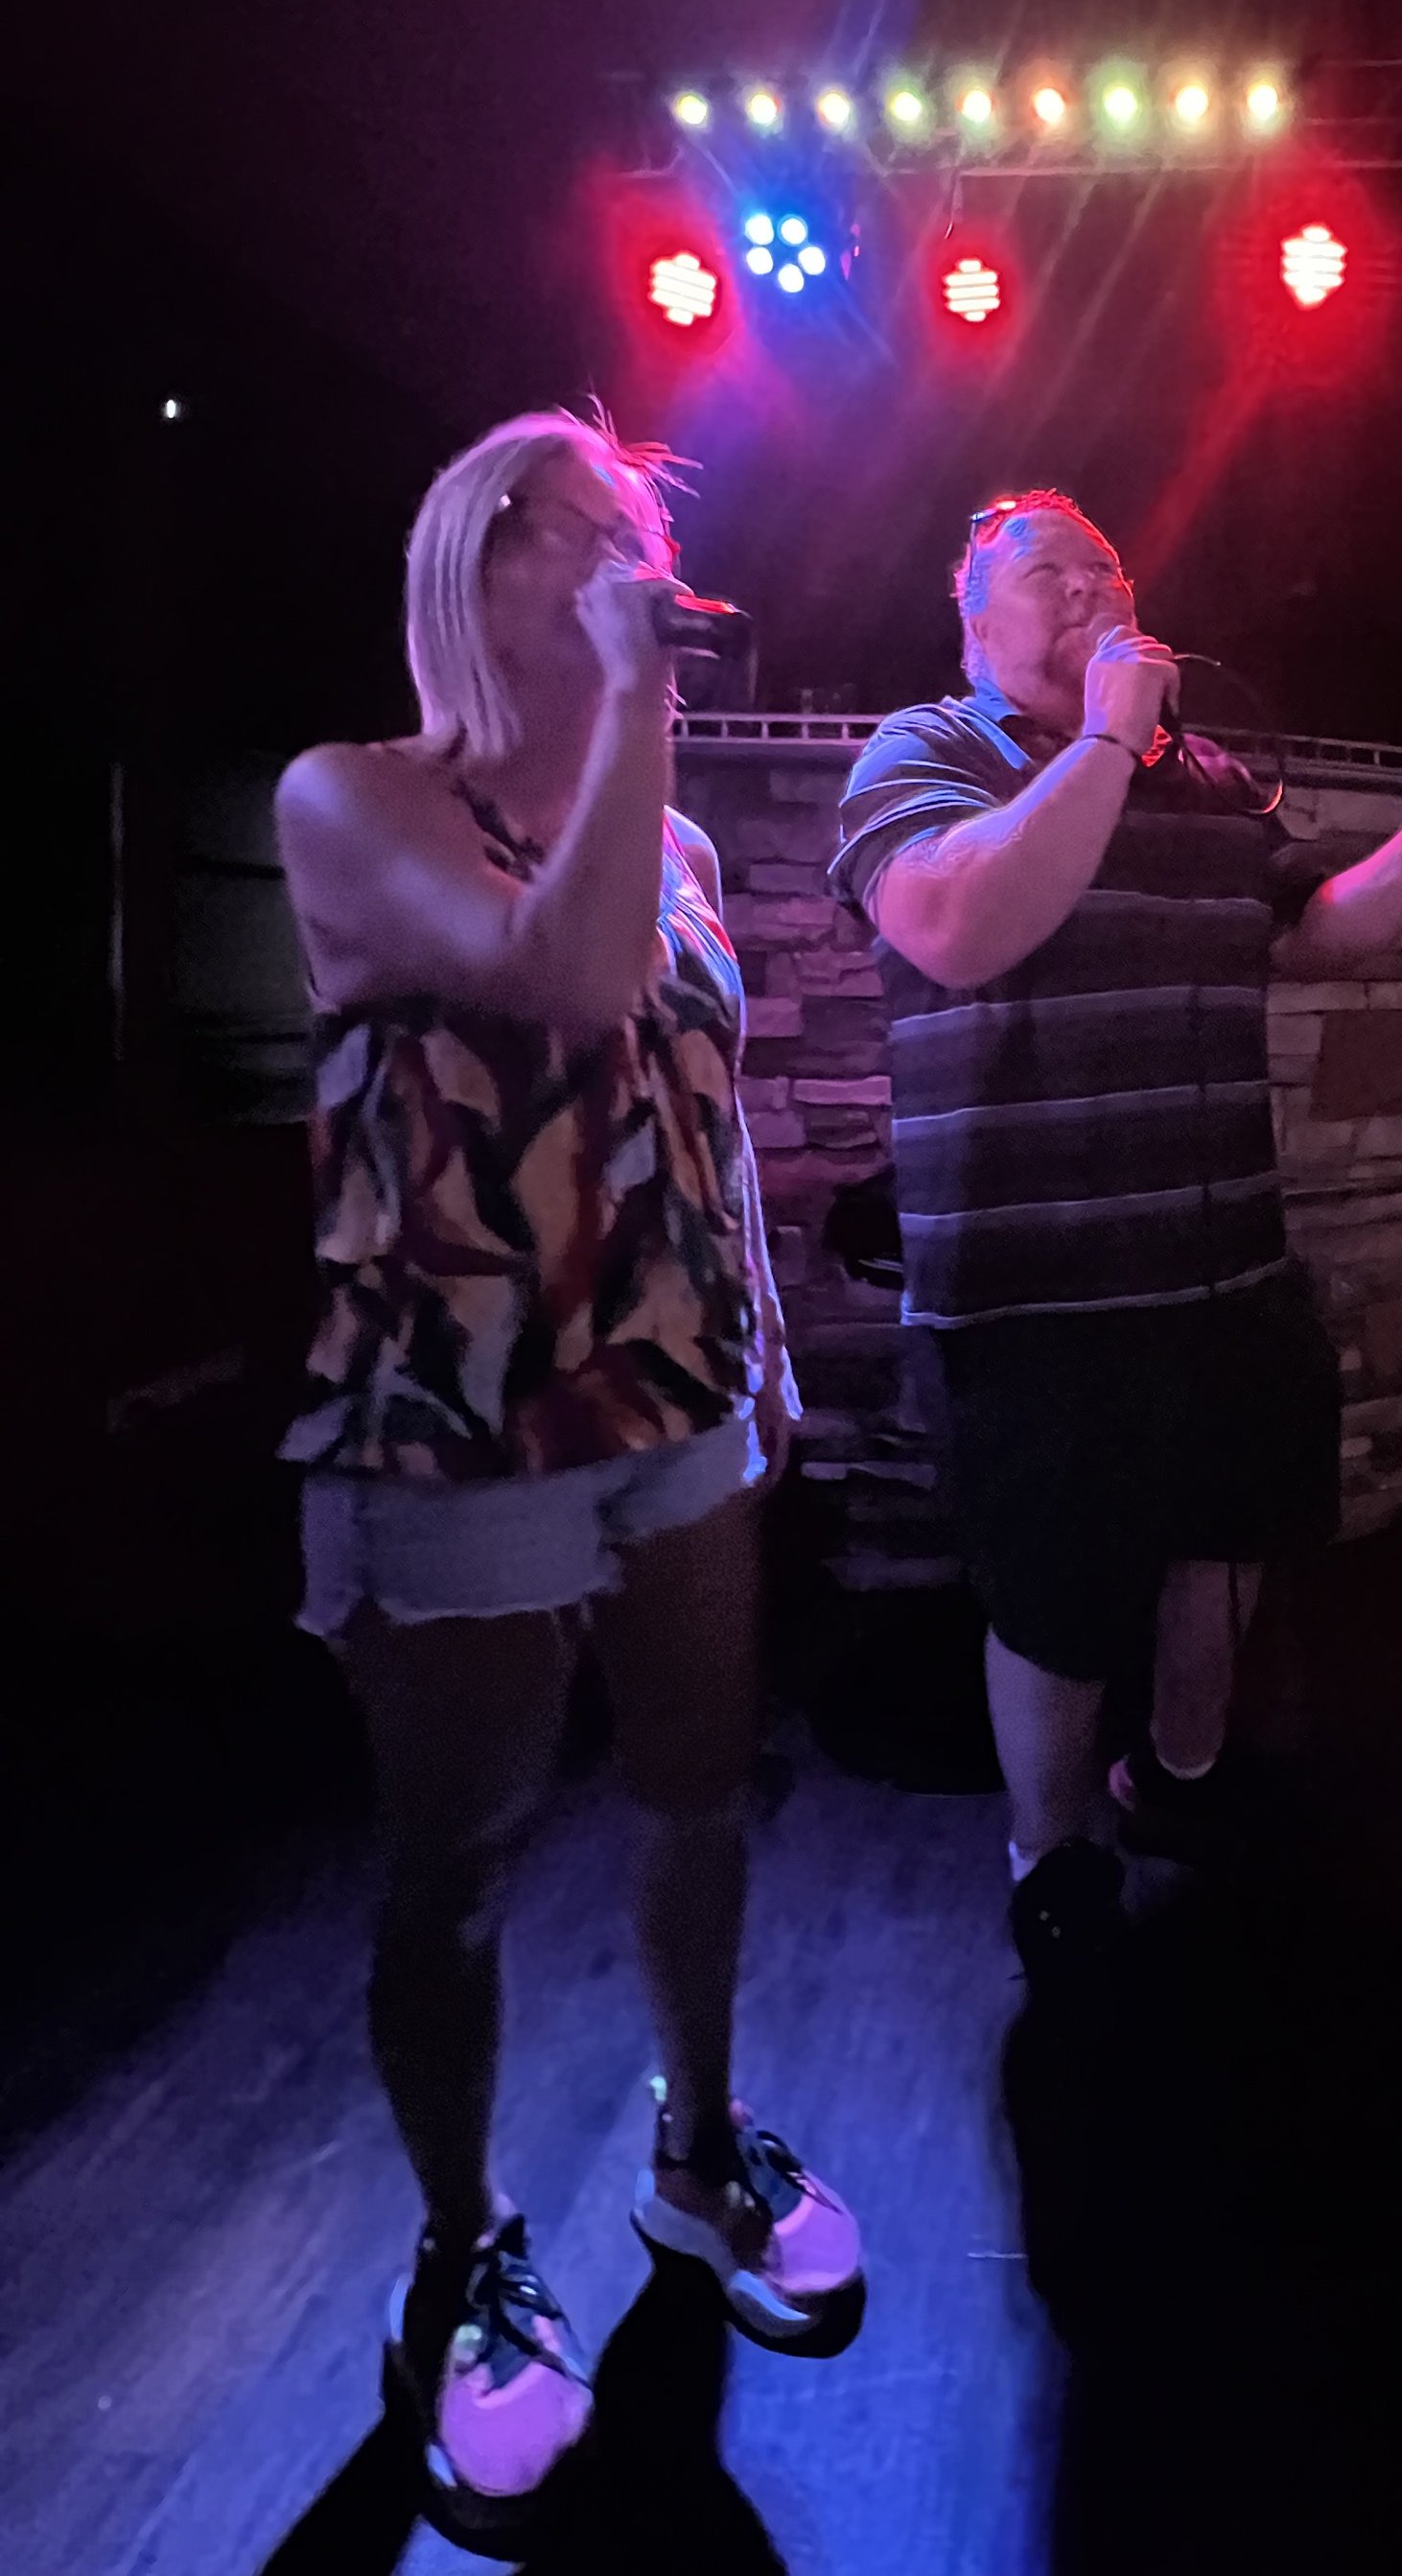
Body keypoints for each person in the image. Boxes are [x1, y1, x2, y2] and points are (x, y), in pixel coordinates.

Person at [275, 407, 863, 2551]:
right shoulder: (349, 798)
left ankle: (697, 2145)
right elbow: (555, 977)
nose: (629, 559)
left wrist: (760, 1364)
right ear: (475, 552)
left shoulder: (673, 836)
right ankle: (462, 2248)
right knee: (455, 1866)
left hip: (675, 1404)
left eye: (643, 535)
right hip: (457, 1412)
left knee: (702, 1787)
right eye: (584, 526)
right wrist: (631, 702)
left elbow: (693, 1131)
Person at [829, 489, 1402, 1978]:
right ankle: (1054, 1852)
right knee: (1058, 1600)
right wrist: (1096, 743)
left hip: (1225, 1266)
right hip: (1034, 1292)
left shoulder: (1200, 770)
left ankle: (1183, 1783)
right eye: (1045, 569)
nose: (1086, 586)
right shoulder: (925, 750)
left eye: (1107, 566)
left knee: (1225, 1546)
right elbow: (952, 925)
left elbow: (1320, 923)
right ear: (970, 616)